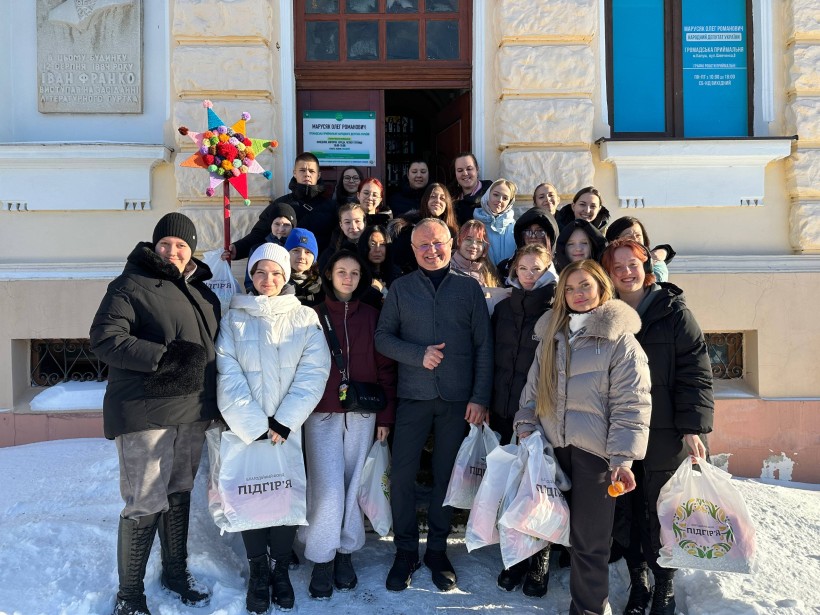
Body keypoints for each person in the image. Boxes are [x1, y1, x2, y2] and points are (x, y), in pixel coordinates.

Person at [90, 212, 220, 615]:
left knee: (179, 492)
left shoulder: (200, 291)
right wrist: (164, 358)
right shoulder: (131, 284)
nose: (173, 250)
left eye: (182, 245)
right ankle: (130, 596)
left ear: (192, 250)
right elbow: (105, 339)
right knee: (144, 501)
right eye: (166, 243)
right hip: (146, 411)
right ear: (154, 245)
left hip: (191, 410)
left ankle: (175, 573)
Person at [514, 259, 651, 615]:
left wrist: (623, 459)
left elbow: (632, 404)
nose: (578, 294)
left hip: (596, 456)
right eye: (570, 288)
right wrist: (525, 424)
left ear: (602, 288)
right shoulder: (552, 335)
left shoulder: (620, 341)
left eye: (585, 286)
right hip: (551, 450)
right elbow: (532, 390)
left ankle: (590, 608)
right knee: (548, 528)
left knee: (590, 542)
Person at [375, 218, 493, 593]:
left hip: (458, 400)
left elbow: (483, 347)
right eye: (423, 245)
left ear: (451, 242)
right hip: (413, 397)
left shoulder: (469, 289)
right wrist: (416, 354)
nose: (431, 250)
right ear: (412, 250)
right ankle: (406, 551)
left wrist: (479, 396)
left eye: (438, 243)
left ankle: (438, 551)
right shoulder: (400, 288)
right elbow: (382, 338)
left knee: (446, 476)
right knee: (403, 478)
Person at [215, 243, 331, 614]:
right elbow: (226, 370)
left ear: (286, 277)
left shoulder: (304, 317)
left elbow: (314, 372)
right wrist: (252, 424)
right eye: (261, 272)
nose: (268, 280)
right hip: (245, 428)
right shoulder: (233, 317)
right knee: (253, 496)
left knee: (282, 498)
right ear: (250, 275)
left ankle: (280, 569)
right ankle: (258, 572)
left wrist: (283, 421)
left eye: (277, 273)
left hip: (286, 429)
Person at [601, 239, 713, 615]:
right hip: (618, 428)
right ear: (609, 273)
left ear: (645, 263)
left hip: (666, 429)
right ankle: (639, 582)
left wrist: (693, 427)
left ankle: (664, 585)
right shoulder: (605, 313)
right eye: (617, 267)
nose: (626, 272)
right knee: (626, 507)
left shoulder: (673, 310)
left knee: (663, 510)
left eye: (632, 263)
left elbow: (695, 372)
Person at [303, 250, 397, 600]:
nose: (347, 278)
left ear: (361, 278)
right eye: (341, 271)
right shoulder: (310, 316)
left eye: (354, 273)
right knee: (327, 489)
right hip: (321, 413)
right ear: (329, 274)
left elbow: (386, 369)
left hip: (363, 413)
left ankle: (345, 553)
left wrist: (385, 418)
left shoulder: (373, 316)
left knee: (354, 485)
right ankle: (321, 557)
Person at [490, 243, 558, 597]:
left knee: (538, 490)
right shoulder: (502, 308)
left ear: (548, 270)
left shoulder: (556, 308)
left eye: (537, 269)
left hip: (539, 414)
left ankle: (539, 560)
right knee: (511, 488)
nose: (530, 275)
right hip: (503, 410)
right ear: (514, 271)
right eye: (524, 269)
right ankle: (514, 557)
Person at [226, 152, 337, 258]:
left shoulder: (331, 207)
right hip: (286, 270)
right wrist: (238, 249)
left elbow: (339, 239)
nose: (307, 174)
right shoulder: (281, 204)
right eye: (302, 170)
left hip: (319, 269)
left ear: (318, 175)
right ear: (295, 173)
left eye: (312, 171)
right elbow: (259, 234)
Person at [389, 182, 459, 274]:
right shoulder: (407, 229)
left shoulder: (454, 232)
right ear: (425, 200)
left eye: (442, 198)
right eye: (433, 196)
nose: (437, 200)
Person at [241, 202, 298, 292]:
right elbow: (249, 282)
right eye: (277, 224)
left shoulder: (297, 250)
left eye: (286, 225)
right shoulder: (257, 249)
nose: (281, 229)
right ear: (270, 225)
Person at [496, 206, 559, 284]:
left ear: (550, 236)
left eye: (539, 232)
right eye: (527, 231)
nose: (533, 236)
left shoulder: (561, 267)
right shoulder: (505, 268)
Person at [605, 216, 676, 283]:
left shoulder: (654, 259)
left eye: (638, 235)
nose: (635, 239)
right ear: (615, 240)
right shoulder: (607, 263)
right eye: (628, 236)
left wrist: (664, 251)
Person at [473, 178, 518, 266]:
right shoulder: (475, 224)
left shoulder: (514, 226)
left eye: (505, 198)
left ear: (509, 202)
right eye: (496, 195)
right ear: (488, 195)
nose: (500, 200)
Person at [450, 219, 501, 288]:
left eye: (479, 241)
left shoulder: (488, 270)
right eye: (468, 239)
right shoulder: (447, 267)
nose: (474, 245)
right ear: (459, 241)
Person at [449, 152, 493, 226]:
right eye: (460, 170)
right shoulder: (449, 197)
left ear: (477, 169)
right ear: (455, 173)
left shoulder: (492, 194)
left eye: (469, 169)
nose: (465, 173)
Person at [285, 228, 324, 306]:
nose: (302, 256)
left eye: (307, 252)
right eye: (296, 250)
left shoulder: (322, 288)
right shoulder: (278, 284)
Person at [358, 225, 400, 295]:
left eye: (382, 244)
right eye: (372, 244)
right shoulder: (357, 275)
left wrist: (383, 291)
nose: (377, 250)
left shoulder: (397, 275)